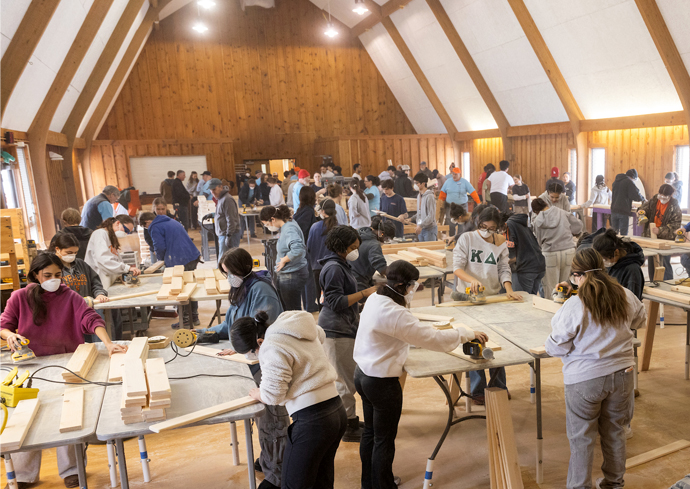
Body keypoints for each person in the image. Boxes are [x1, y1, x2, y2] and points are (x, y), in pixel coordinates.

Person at [0, 253, 126, 488]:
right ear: (35, 275)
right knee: (25, 416)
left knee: (69, 414)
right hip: (31, 364)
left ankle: (72, 469)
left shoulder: (70, 296)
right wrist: (11, 336)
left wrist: (108, 344)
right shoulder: (20, 297)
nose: (54, 280)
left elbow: (91, 319)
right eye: (47, 275)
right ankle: (24, 474)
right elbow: (4, 325)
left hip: (68, 362)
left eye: (58, 275)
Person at [355, 260, 482, 489]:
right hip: (381, 382)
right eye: (414, 285)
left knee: (371, 434)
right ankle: (383, 485)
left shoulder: (376, 298)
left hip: (363, 375)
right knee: (384, 439)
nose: (415, 290)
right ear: (404, 285)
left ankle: (370, 483)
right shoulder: (394, 313)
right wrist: (465, 333)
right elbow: (432, 339)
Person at [545, 248, 646, 489]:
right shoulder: (624, 294)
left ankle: (580, 486)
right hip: (622, 375)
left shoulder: (574, 305)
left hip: (585, 378)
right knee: (615, 432)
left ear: (578, 275)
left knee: (582, 438)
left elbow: (555, 346)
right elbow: (640, 320)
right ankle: (613, 483)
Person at [231, 310, 345, 489]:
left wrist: (258, 393)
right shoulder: (289, 328)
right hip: (336, 410)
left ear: (259, 342)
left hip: (313, 420)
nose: (253, 357)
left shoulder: (270, 345)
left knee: (293, 484)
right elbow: (320, 334)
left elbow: (273, 395)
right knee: (321, 480)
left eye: (252, 353)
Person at [452, 206, 521, 401]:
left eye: (491, 228)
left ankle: (498, 386)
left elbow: (503, 268)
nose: (487, 231)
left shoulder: (500, 243)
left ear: (498, 227)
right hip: (467, 298)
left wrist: (508, 289)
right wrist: (471, 280)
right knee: (475, 342)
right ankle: (478, 390)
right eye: (483, 226)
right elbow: (456, 268)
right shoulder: (467, 239)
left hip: (491, 297)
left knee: (497, 341)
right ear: (477, 222)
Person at [318, 225, 378, 443]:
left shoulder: (341, 264)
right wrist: (365, 293)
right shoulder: (334, 268)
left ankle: (351, 419)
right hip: (335, 330)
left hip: (344, 327)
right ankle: (347, 427)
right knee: (343, 381)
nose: (355, 251)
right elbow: (334, 301)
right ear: (341, 246)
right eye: (352, 247)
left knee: (347, 377)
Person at [146, 209, 202, 328]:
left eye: (145, 226)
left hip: (180, 259)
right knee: (190, 286)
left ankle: (186, 321)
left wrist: (161, 260)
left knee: (181, 289)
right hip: (192, 255)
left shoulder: (155, 226)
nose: (147, 229)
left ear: (147, 222)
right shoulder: (170, 220)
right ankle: (194, 317)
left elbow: (159, 246)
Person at [260, 205, 309, 311]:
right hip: (290, 273)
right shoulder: (288, 224)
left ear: (273, 219)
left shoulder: (289, 229)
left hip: (292, 274)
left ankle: (295, 328)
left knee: (292, 310)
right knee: (288, 308)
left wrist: (285, 259)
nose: (268, 227)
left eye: (267, 224)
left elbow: (298, 248)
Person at [531, 197, 582, 296]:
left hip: (550, 253)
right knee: (566, 287)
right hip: (568, 251)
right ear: (546, 204)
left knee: (551, 288)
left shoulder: (537, 221)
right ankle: (565, 310)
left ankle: (552, 311)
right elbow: (578, 226)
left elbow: (538, 241)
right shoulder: (562, 212)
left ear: (536, 211)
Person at [49, 232, 108, 306]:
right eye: (69, 252)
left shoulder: (81, 264)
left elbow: (95, 282)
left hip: (85, 310)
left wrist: (99, 294)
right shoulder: (50, 267)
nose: (72, 255)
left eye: (75, 252)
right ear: (57, 249)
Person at [638, 184, 681, 281]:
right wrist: (641, 212)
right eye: (660, 195)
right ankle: (654, 283)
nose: (661, 199)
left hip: (665, 240)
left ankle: (668, 284)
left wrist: (660, 230)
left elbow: (675, 227)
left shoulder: (674, 207)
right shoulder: (654, 201)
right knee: (652, 263)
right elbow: (643, 208)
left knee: (664, 262)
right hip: (651, 237)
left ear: (670, 196)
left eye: (664, 197)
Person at [84, 216, 140, 290]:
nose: (126, 233)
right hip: (99, 284)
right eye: (125, 230)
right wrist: (127, 268)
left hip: (107, 284)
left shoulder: (111, 238)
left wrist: (122, 274)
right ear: (117, 223)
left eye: (128, 232)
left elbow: (117, 260)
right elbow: (103, 259)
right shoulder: (100, 233)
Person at [592, 229, 645, 300]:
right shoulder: (611, 264)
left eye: (605, 259)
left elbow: (632, 302)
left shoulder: (632, 270)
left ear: (616, 253)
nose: (603, 263)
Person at [307, 199, 338, 310]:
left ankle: (322, 318)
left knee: (320, 297)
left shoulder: (315, 227)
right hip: (335, 267)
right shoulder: (338, 227)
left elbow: (309, 248)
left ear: (323, 211)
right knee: (334, 295)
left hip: (317, 267)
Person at [351, 216, 396, 292]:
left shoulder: (361, 235)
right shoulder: (374, 244)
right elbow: (381, 267)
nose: (385, 241)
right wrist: (397, 274)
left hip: (350, 277)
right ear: (382, 233)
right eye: (386, 238)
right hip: (358, 282)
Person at [505, 211, 545, 295]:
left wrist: (500, 264)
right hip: (539, 265)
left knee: (522, 300)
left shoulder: (509, 225)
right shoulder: (522, 224)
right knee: (532, 299)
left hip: (527, 269)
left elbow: (513, 257)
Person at [294, 187, 321, 313]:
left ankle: (307, 304)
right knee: (309, 278)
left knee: (306, 277)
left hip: (301, 249)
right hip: (306, 248)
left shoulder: (300, 210)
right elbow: (304, 230)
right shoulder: (308, 211)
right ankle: (310, 305)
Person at [439, 167, 480, 235]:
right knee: (450, 222)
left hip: (462, 206)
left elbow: (473, 192)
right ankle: (451, 238)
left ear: (459, 174)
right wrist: (440, 204)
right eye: (453, 174)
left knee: (462, 223)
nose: (454, 176)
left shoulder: (465, 182)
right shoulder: (447, 182)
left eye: (456, 174)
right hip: (450, 206)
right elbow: (442, 194)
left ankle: (461, 238)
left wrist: (478, 202)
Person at [210, 178, 241, 262]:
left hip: (229, 234)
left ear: (221, 187)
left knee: (226, 261)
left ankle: (226, 275)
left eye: (214, 189)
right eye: (210, 190)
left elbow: (231, 219)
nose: (212, 192)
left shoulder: (227, 199)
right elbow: (223, 214)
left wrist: (229, 236)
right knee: (225, 260)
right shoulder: (221, 198)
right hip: (224, 233)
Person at [611, 171, 646, 236]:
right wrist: (643, 199)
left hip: (614, 210)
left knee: (613, 233)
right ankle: (623, 245)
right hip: (623, 211)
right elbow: (635, 195)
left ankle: (612, 245)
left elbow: (620, 196)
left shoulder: (616, 181)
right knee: (623, 234)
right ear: (633, 177)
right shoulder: (629, 182)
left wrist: (628, 203)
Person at [413, 172, 437, 242]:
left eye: (417, 183)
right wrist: (411, 219)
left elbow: (431, 216)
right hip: (422, 229)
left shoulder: (430, 196)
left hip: (429, 230)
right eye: (415, 183)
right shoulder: (419, 195)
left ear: (423, 183)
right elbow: (420, 212)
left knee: (430, 251)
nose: (415, 185)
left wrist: (421, 225)